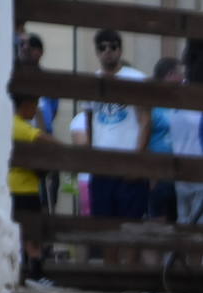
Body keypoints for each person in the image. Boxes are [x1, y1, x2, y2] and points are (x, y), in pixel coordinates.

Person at [84, 29, 149, 262]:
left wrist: (137, 160)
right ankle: (110, 274)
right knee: (105, 225)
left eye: (112, 46)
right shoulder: (92, 81)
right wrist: (91, 158)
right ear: (97, 52)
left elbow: (145, 121)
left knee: (131, 224)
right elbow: (89, 121)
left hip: (128, 161)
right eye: (102, 47)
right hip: (102, 165)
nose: (108, 51)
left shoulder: (136, 78)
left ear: (120, 50)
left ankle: (129, 276)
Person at [10, 92, 59, 290]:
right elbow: (45, 140)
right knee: (33, 234)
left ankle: (25, 272)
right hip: (25, 188)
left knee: (23, 232)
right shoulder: (20, 126)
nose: (37, 108)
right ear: (26, 104)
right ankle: (36, 274)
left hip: (15, 187)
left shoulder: (13, 124)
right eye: (35, 104)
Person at [146, 57, 185, 225]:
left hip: (181, 172)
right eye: (180, 74)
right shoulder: (151, 103)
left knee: (181, 220)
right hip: (158, 173)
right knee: (159, 222)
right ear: (170, 75)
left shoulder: (182, 101)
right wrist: (149, 174)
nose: (183, 79)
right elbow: (143, 136)